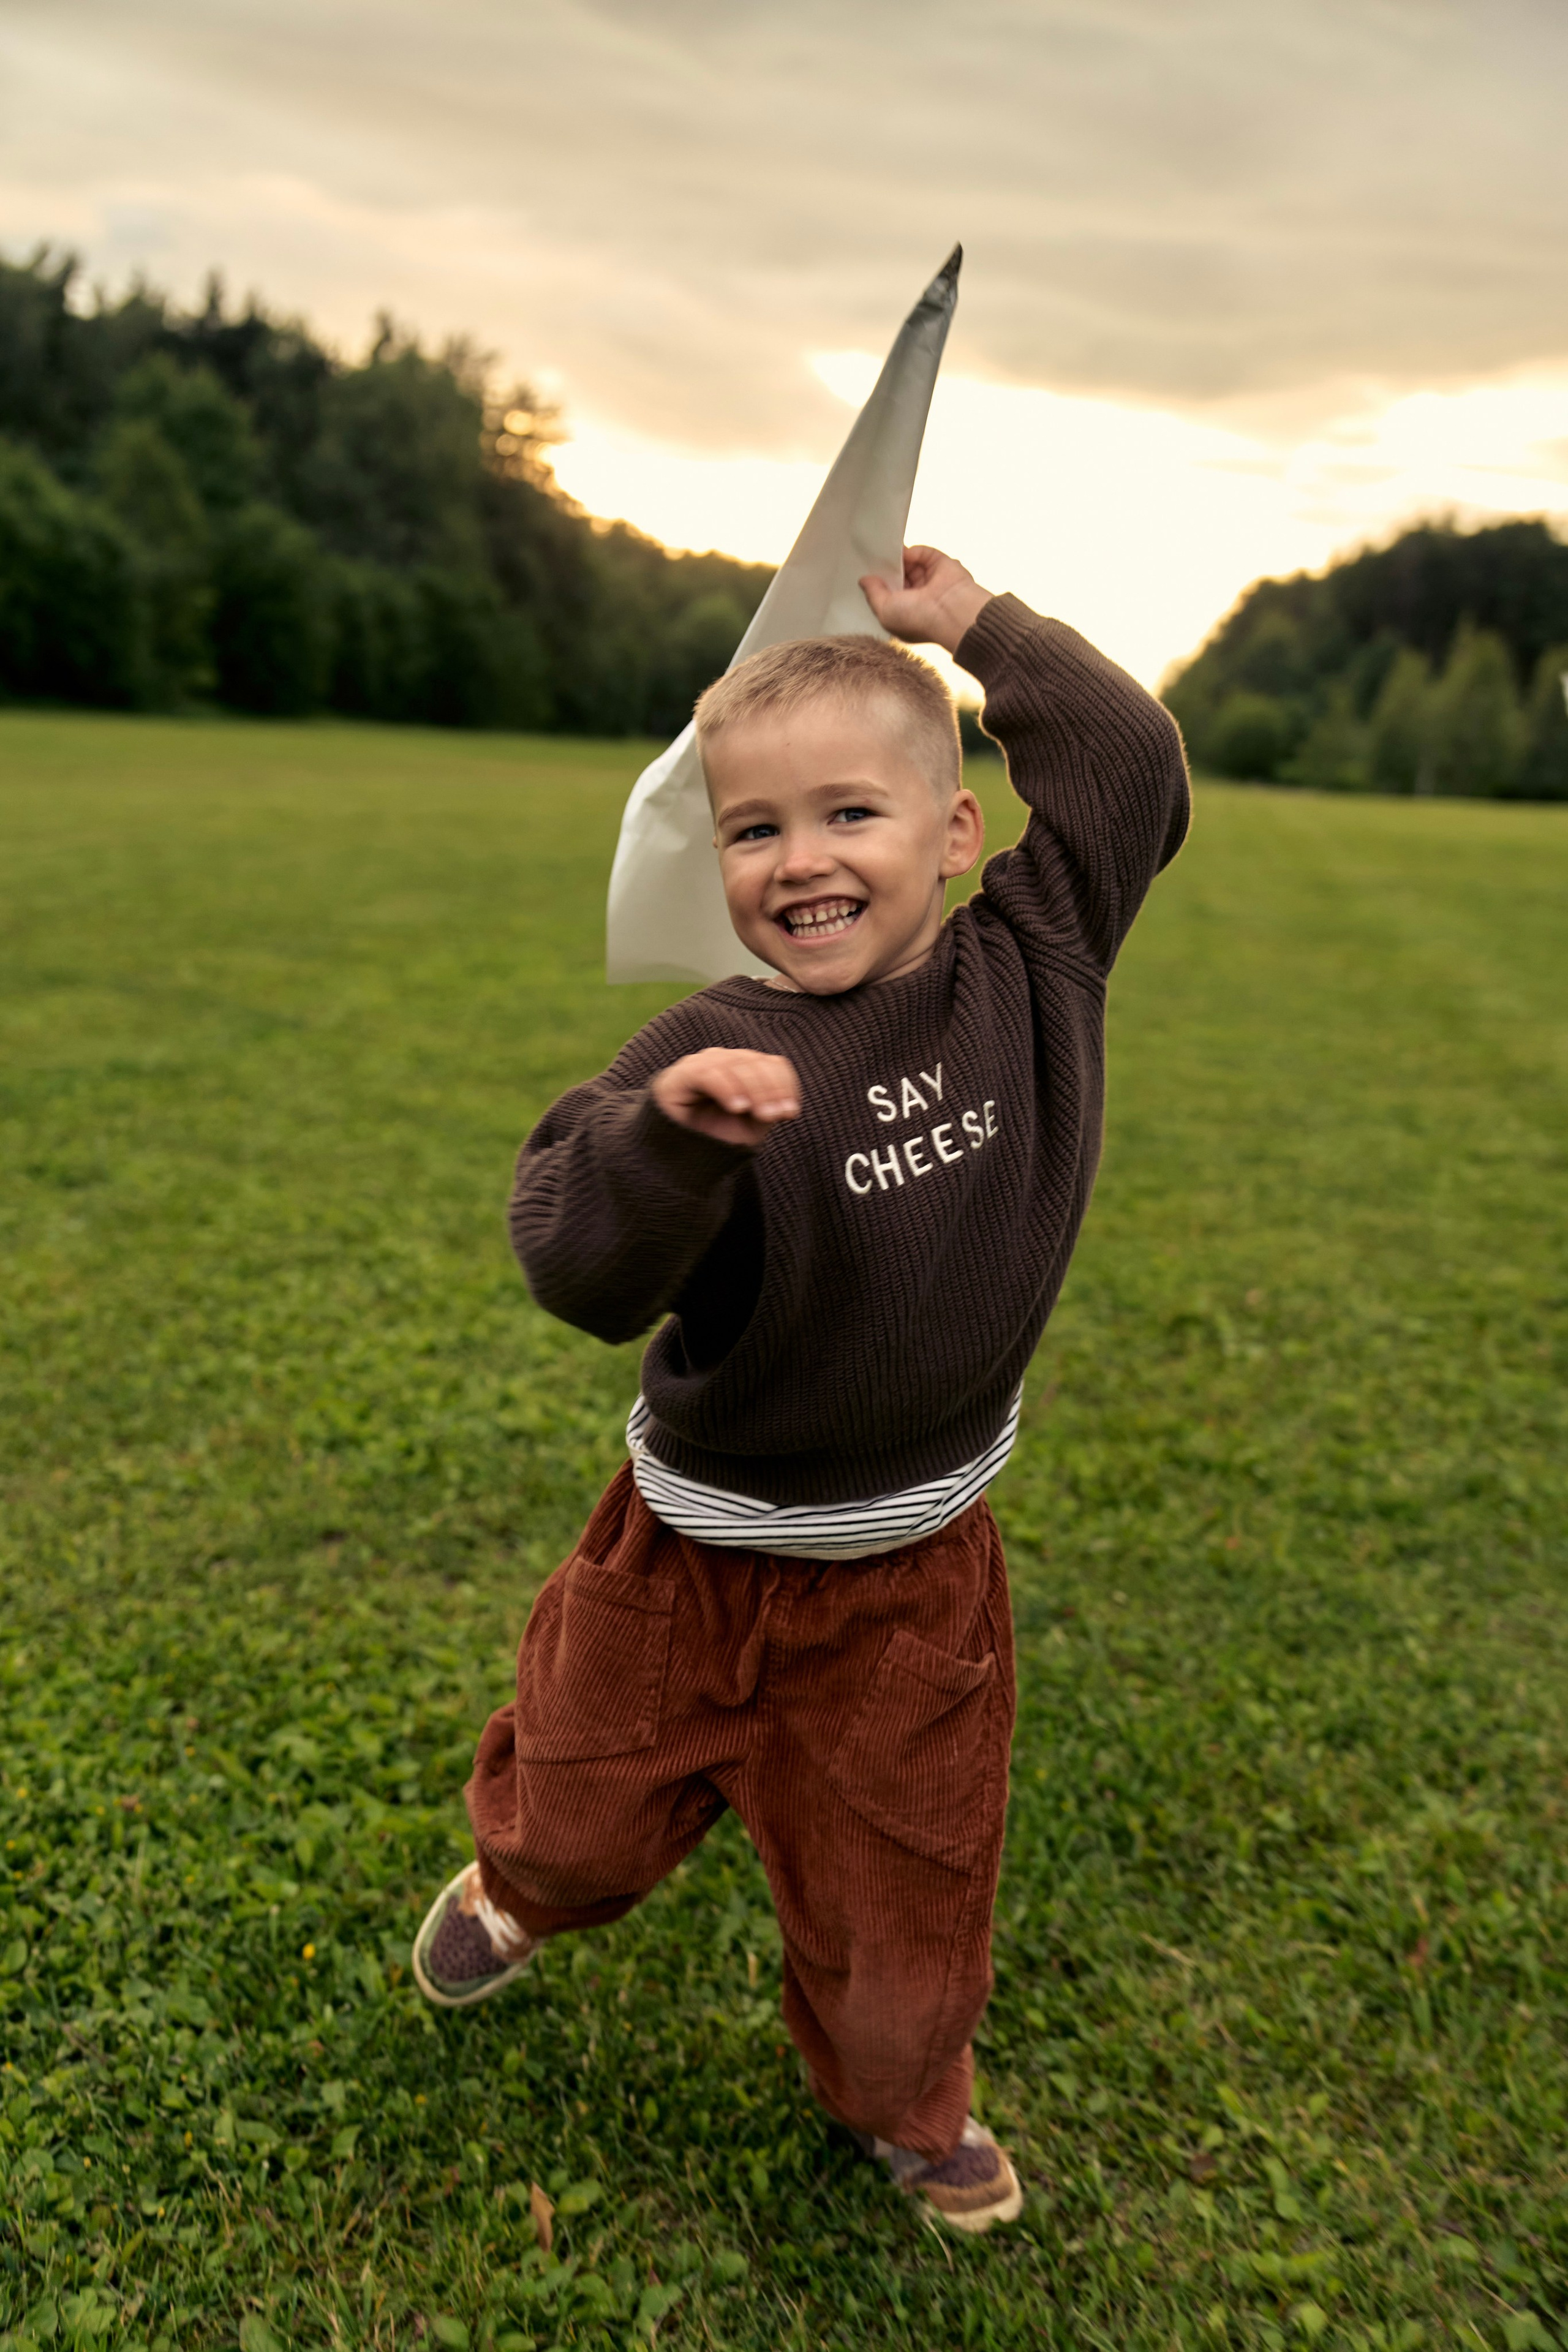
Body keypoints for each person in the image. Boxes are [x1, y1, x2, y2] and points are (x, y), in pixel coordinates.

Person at [412, 546, 1191, 2236]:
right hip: (686, 1566)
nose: (803, 859)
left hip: (910, 1590)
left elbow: (1132, 765)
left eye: (852, 814)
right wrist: (669, 1142)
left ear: (956, 834)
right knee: (582, 1815)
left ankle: (906, 2105)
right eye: (756, 829)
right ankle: (520, 1884)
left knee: (902, 1895)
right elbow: (572, 1259)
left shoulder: (1036, 963)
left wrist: (975, 628)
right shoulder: (712, 1042)